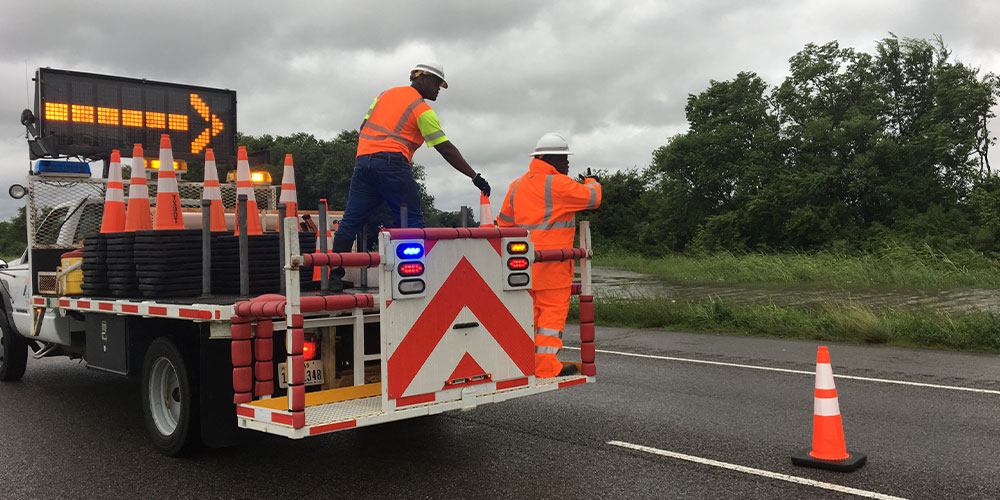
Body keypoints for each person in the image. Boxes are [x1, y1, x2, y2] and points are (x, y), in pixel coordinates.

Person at [330, 62, 491, 288]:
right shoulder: (422, 110)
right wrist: (474, 176)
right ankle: (419, 278)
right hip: (392, 164)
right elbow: (445, 148)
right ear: (421, 79)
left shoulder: (384, 95)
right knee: (413, 221)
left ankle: (335, 277)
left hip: (363, 161)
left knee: (351, 221)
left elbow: (364, 125)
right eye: (436, 83)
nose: (438, 90)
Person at [497, 132, 601, 378]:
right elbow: (594, 199)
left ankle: (525, 363)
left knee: (529, 318)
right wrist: (592, 180)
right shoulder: (559, 184)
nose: (567, 164)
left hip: (522, 266)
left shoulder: (517, 186)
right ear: (551, 159)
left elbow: (504, 224)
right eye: (564, 159)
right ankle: (544, 365)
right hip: (553, 266)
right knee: (550, 320)